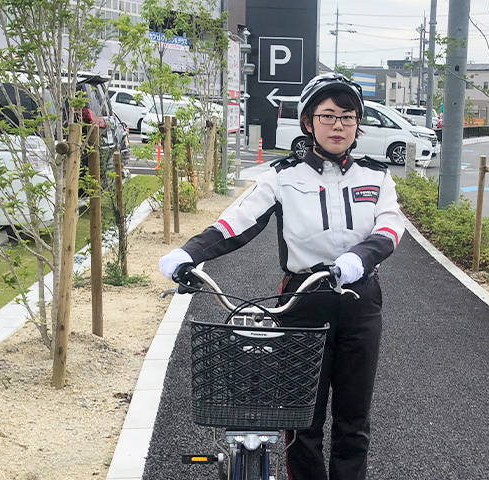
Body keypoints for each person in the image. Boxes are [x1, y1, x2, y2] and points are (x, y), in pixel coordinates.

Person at [158, 72, 405, 480]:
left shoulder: (376, 177)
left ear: (358, 124)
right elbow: (236, 223)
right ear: (308, 122)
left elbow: (389, 229)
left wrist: (357, 260)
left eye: (348, 116)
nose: (338, 125)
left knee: (353, 422)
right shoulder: (282, 176)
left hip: (360, 301)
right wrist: (189, 253)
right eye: (328, 116)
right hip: (302, 301)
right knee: (301, 421)